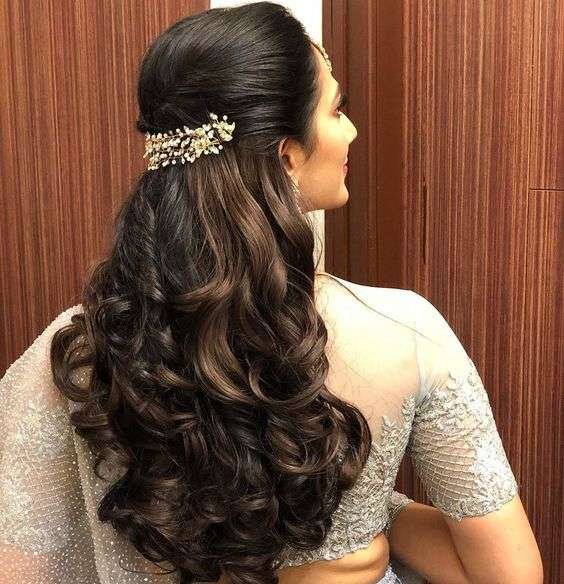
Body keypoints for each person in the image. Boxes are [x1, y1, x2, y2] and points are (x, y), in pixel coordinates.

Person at [0, 2, 543, 583]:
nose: (351, 130)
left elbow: (21, 566)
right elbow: (510, 576)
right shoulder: (405, 331)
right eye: (336, 110)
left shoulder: (80, 352)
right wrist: (369, 517)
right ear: (286, 155)